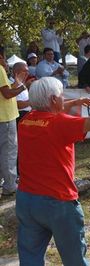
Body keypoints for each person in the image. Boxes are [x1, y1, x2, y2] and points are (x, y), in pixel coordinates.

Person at [16, 77, 90, 265]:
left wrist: (75, 102)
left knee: (30, 257)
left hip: (27, 200)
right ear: (53, 99)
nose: (63, 98)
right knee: (75, 259)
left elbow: (50, 111)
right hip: (58, 202)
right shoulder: (59, 123)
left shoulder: (25, 121)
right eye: (61, 95)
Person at [0, 50, 29, 197]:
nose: (5, 62)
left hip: (5, 117)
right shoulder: (0, 69)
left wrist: (17, 84)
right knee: (9, 153)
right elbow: (7, 94)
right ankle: (10, 186)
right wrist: (23, 87)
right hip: (5, 117)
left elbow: (5, 90)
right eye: (4, 58)